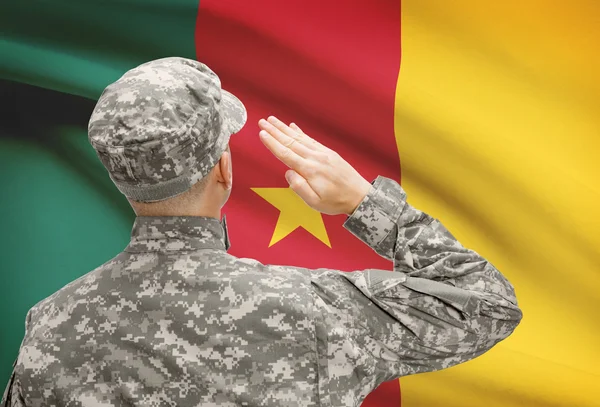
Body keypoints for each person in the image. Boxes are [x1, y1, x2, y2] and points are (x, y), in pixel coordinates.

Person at [1, 56, 522, 407]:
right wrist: (366, 204)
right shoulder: (318, 310)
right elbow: (489, 304)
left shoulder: (49, 326)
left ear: (121, 176)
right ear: (223, 168)